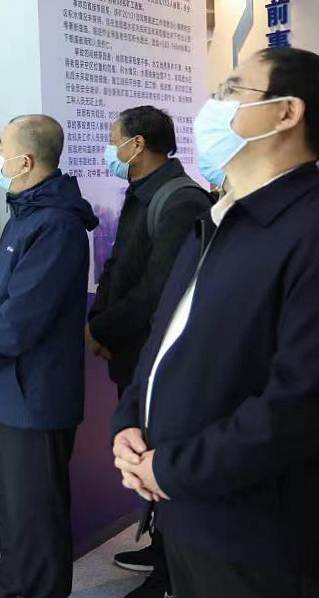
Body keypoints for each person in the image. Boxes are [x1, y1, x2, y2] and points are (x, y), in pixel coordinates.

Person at [112, 48, 319, 598]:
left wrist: (172, 468)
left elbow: (298, 404)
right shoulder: (218, 219)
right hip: (182, 511)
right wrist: (129, 423)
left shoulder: (307, 229)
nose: (213, 105)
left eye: (231, 90)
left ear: (286, 112)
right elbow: (164, 340)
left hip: (255, 536)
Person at [0, 115, 98, 598]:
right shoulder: (27, 214)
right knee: (17, 503)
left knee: (36, 505)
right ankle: (14, 584)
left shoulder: (55, 224)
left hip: (36, 391)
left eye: (0, 147)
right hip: (11, 386)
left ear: (26, 160)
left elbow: (24, 314)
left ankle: (32, 589)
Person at [87, 106, 211, 598]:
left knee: (160, 457)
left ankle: (170, 576)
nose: (109, 149)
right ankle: (161, 551)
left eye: (113, 139)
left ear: (136, 144)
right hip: (131, 350)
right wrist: (102, 326)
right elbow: (120, 267)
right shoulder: (143, 192)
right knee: (142, 450)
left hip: (157, 359)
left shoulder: (180, 200)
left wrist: (103, 329)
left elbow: (160, 291)